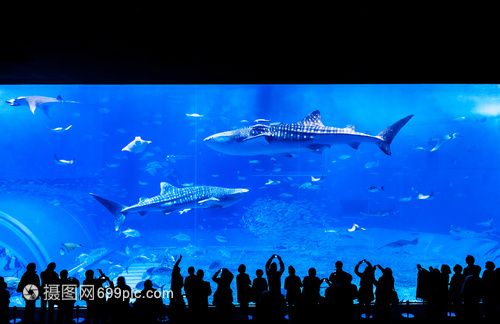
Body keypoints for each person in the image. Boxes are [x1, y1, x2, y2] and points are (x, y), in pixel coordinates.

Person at [169, 255, 185, 321]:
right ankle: (177, 316)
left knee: (173, 303)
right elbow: (175, 265)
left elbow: (175, 266)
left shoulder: (175, 274)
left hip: (175, 290)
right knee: (178, 303)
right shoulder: (176, 274)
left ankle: (174, 315)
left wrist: (180, 259)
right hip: (177, 291)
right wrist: (179, 259)